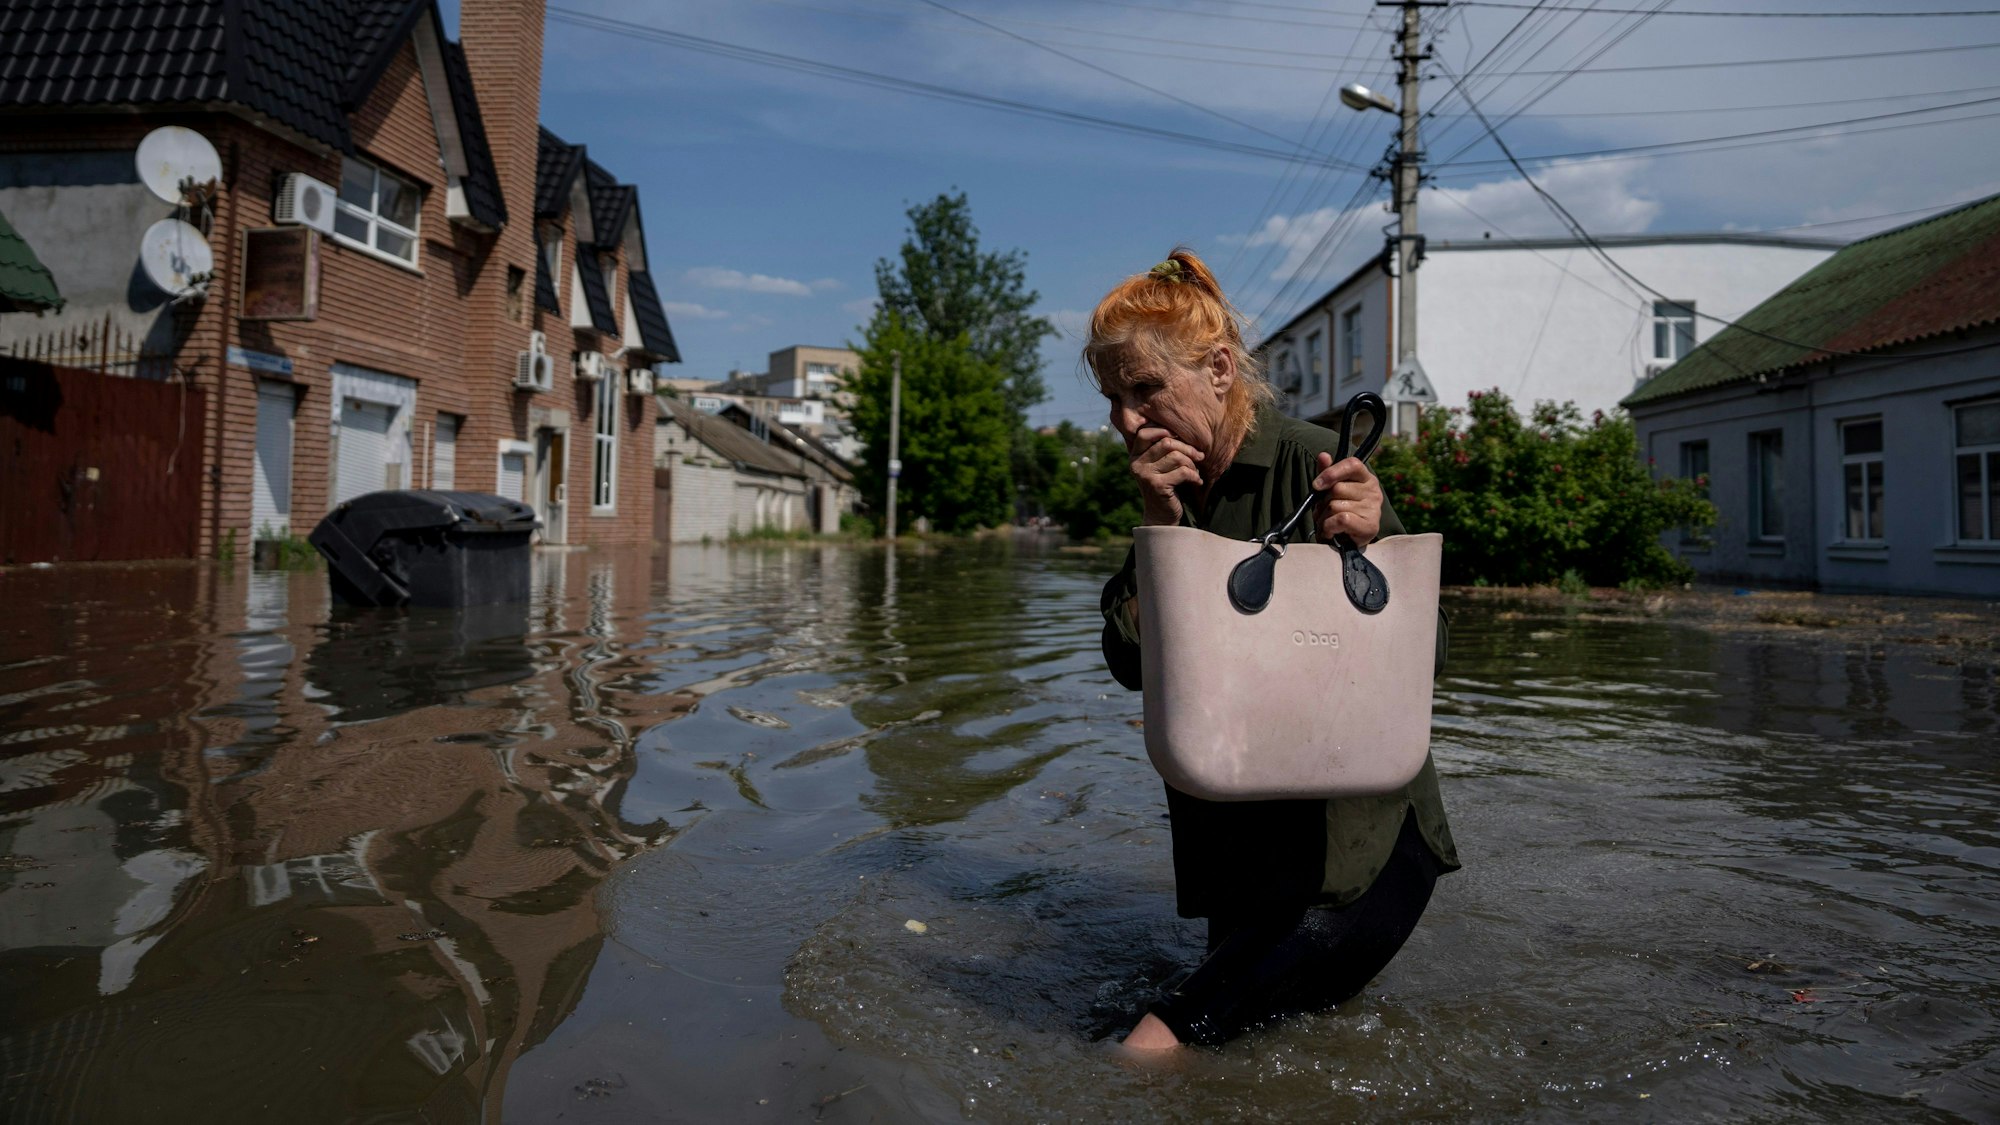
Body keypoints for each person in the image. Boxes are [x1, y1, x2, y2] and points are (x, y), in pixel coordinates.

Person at [1087, 249, 1460, 1050]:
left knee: (1154, 1046)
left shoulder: (1314, 460)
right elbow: (1128, 665)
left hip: (1356, 857)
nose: (1125, 419)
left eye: (1144, 389)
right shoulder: (1172, 491)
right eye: (1113, 398)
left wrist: (1371, 535)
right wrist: (1159, 530)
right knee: (1244, 1052)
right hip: (1243, 858)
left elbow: (1427, 656)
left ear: (1220, 368)